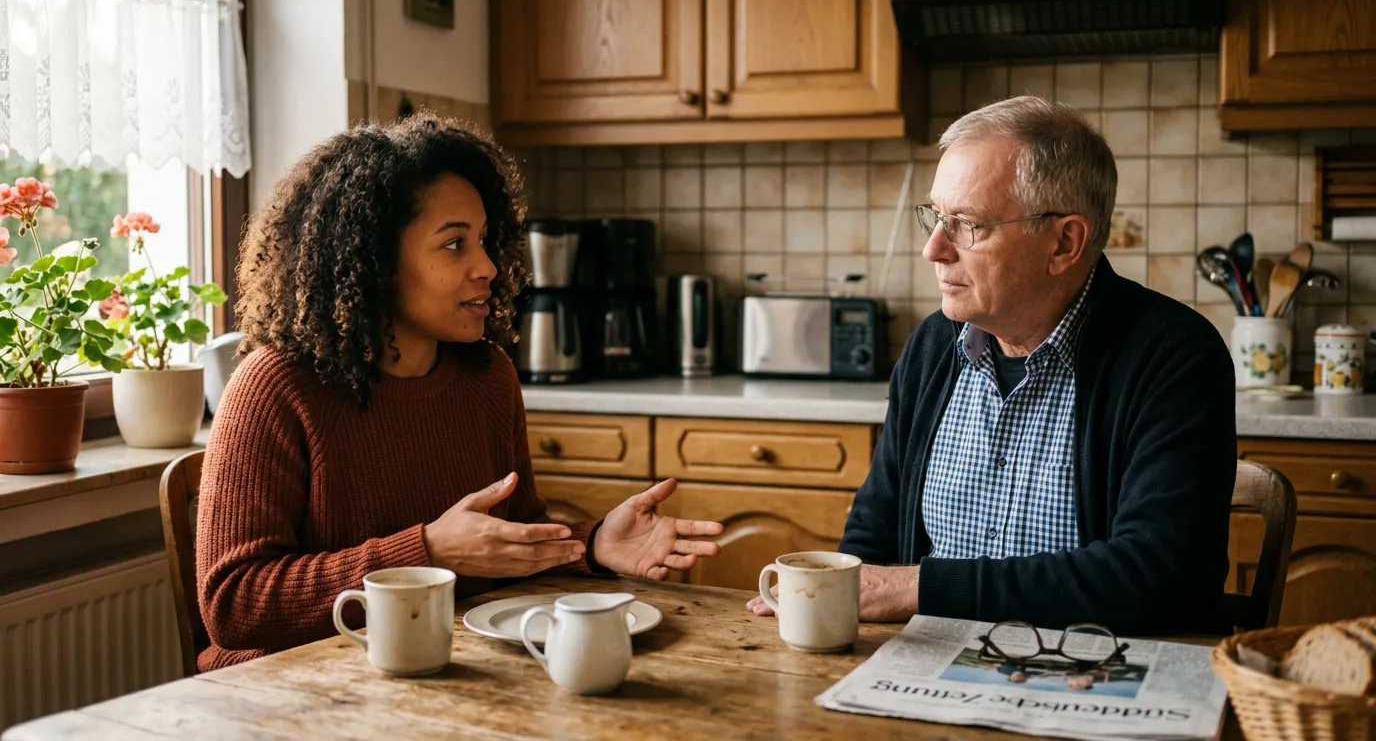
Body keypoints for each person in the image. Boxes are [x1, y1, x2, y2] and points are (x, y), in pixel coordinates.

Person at [196, 113, 723, 672]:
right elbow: (234, 606)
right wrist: (425, 552)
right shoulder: (275, 386)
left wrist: (592, 545)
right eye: (454, 245)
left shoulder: (487, 376)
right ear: (371, 259)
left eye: (485, 241)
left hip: (435, 672)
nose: (489, 267)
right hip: (285, 694)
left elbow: (504, 543)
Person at [748, 96, 1235, 635]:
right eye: (936, 217)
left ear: (1064, 243)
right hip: (924, 668)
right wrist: (837, 593)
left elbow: (1159, 576)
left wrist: (916, 589)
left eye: (968, 225)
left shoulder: (1172, 356)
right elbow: (875, 530)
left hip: (1095, 676)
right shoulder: (934, 347)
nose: (934, 248)